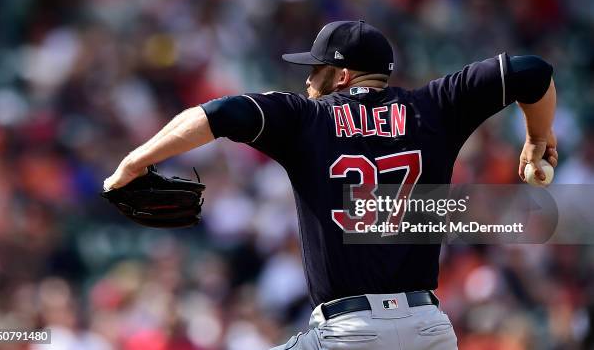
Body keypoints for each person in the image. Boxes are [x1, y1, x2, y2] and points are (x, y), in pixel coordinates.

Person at [104, 20, 557, 349]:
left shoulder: (309, 118)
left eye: (314, 69)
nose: (306, 79)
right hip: (429, 330)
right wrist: (538, 138)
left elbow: (217, 114)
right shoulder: (434, 107)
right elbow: (532, 70)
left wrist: (133, 161)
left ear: (342, 75)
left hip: (349, 333)